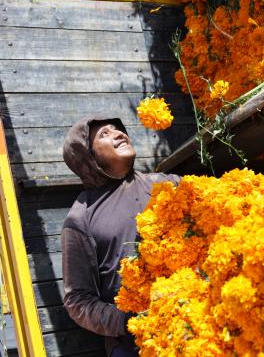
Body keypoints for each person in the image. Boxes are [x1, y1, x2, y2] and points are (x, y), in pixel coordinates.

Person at [61, 115, 180, 356]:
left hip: (191, 316)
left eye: (118, 129)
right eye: (104, 134)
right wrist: (127, 321)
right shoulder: (81, 218)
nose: (118, 133)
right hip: (134, 344)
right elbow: (78, 301)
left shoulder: (168, 184)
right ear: (88, 157)